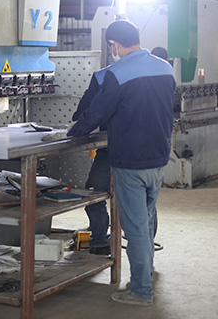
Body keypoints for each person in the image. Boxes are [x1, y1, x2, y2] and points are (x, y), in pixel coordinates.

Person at [67, 20, 176, 306]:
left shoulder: (117, 73)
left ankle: (141, 291)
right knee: (146, 219)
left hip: (130, 161)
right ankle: (145, 275)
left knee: (135, 228)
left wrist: (71, 133)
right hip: (159, 158)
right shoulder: (165, 69)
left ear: (114, 45)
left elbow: (94, 114)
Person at [72, 67, 111, 256]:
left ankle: (102, 240)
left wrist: (76, 129)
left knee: (95, 192)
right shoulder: (158, 69)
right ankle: (101, 240)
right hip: (145, 149)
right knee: (94, 192)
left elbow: (86, 113)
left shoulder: (104, 75)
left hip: (118, 148)